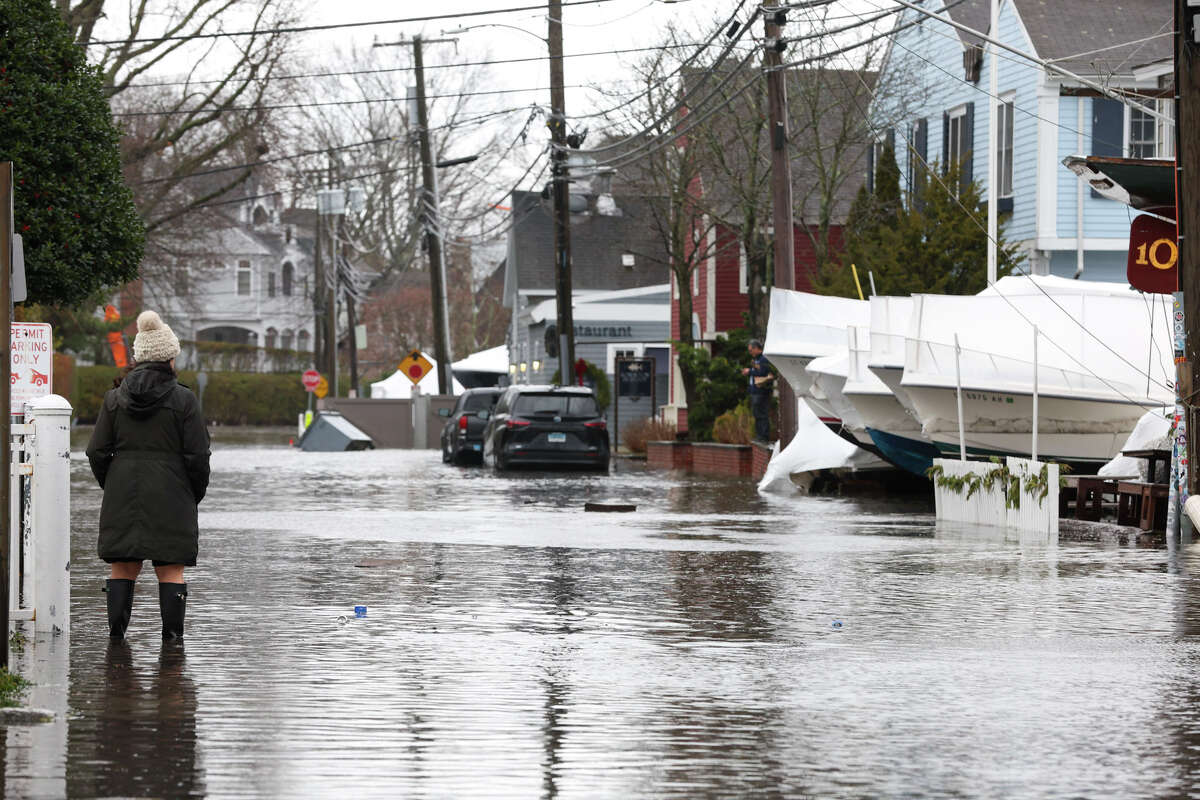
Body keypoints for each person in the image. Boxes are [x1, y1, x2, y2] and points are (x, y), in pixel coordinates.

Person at [86, 311, 211, 640]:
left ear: (139, 358)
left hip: (122, 493)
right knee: (170, 568)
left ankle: (116, 640)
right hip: (173, 495)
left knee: (123, 566)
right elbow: (198, 455)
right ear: (170, 357)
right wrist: (192, 493)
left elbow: (96, 452)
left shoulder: (115, 399)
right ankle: (172, 646)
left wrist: (111, 483)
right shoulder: (184, 400)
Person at [741, 338, 773, 442]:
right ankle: (760, 435)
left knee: (761, 414)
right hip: (755, 391)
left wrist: (749, 371)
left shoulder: (763, 359)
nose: (750, 353)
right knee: (757, 414)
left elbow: (763, 373)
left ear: (756, 349)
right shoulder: (756, 360)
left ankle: (764, 436)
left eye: (751, 350)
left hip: (761, 391)